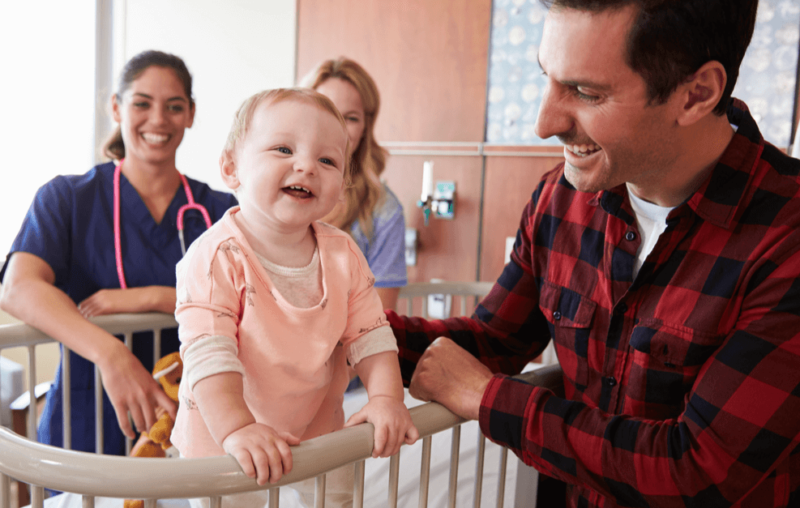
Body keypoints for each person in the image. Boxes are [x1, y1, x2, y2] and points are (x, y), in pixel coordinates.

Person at [388, 0, 800, 506]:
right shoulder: (559, 200)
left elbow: (696, 470)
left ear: (697, 94)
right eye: (548, 78)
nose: (543, 123)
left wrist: (488, 399)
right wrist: (343, 333)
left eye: (585, 92)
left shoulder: (786, 235)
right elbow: (493, 341)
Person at [171, 88, 418, 507]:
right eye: (283, 149)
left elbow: (372, 336)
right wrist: (237, 428)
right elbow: (209, 355)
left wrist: (386, 399)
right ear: (231, 169)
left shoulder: (342, 255)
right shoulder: (217, 256)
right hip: (226, 428)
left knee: (336, 498)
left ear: (341, 187)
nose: (306, 166)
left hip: (320, 424)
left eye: (327, 160)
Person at [0, 50, 237, 456]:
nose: (158, 120)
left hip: (194, 419)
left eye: (174, 106)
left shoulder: (219, 211)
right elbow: (18, 288)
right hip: (87, 420)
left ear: (191, 114)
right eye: (142, 103)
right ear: (116, 107)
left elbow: (249, 305)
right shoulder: (68, 199)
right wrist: (112, 354)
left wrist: (149, 297)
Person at [302, 57, 407, 312]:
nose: (336, 127)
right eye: (326, 112)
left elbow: (380, 319)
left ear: (365, 128)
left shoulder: (384, 211)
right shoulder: (277, 188)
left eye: (350, 118)